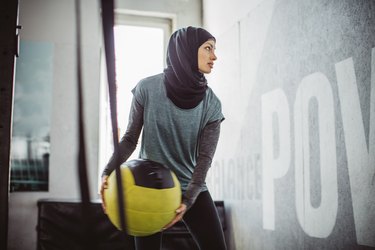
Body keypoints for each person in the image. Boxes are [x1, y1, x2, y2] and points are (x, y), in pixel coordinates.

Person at [100, 26, 227, 250]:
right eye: (208, 48)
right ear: (186, 50)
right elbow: (130, 139)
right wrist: (107, 172)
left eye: (214, 49)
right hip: (149, 187)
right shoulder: (147, 88)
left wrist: (188, 200)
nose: (214, 56)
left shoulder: (212, 104)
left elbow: (205, 159)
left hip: (191, 188)